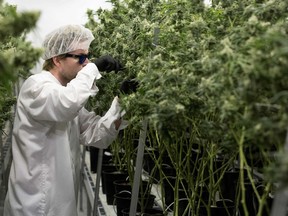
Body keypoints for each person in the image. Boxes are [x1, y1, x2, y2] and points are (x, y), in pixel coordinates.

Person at [4, 24, 127, 216]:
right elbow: (65, 104)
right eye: (81, 57)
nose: (86, 63)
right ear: (57, 59)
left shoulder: (64, 92)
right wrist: (95, 67)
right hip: (34, 205)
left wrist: (122, 101)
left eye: (88, 57)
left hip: (61, 201)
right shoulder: (36, 86)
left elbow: (97, 135)